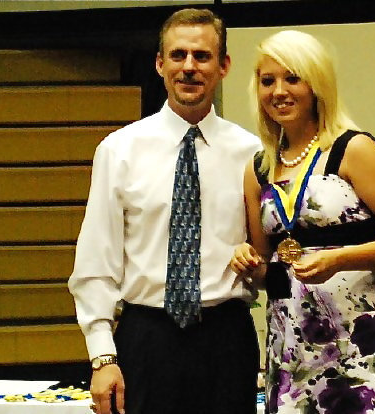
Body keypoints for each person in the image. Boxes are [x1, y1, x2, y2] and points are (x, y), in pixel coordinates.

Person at [69, 8, 261, 414]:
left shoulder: (252, 153)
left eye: (202, 56)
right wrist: (103, 357)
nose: (189, 67)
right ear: (160, 64)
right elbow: (95, 261)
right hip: (146, 338)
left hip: (226, 338)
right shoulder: (119, 150)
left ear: (223, 66)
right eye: (177, 55)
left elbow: (267, 250)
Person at [231, 30, 375, 413]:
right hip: (291, 350)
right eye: (267, 80)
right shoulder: (258, 168)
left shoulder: (352, 149)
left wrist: (339, 259)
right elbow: (264, 269)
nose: (279, 91)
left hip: (359, 344)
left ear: (317, 83)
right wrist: (247, 261)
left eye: (293, 78)